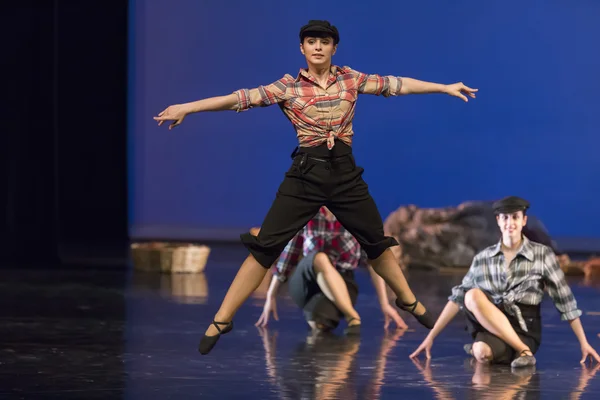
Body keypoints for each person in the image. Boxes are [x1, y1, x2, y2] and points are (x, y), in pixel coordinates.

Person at [154, 19, 478, 355]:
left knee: (376, 243)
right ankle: (222, 318)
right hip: (306, 175)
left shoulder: (350, 78)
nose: (318, 47)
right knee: (265, 246)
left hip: (345, 175)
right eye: (312, 42)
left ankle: (408, 300)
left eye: (324, 42)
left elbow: (398, 85)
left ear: (334, 48)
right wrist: (187, 108)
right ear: (302, 48)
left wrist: (443, 87)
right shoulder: (287, 87)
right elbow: (239, 99)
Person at [409, 196, 600, 368]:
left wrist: (584, 343)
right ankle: (521, 351)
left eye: (515, 217)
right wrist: (430, 337)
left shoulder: (542, 255)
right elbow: (457, 298)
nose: (510, 223)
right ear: (498, 221)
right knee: (473, 303)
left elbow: (564, 300)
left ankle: (522, 349)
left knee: (482, 348)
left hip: (525, 327)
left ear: (523, 220)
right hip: (493, 325)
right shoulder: (483, 258)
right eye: (505, 218)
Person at [255, 206, 408, 333]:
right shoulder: (306, 213)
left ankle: (339, 312)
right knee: (320, 258)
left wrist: (384, 303)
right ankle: (352, 316)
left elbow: (373, 261)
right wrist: (271, 295)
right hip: (307, 279)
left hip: (342, 281)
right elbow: (288, 256)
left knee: (319, 322)